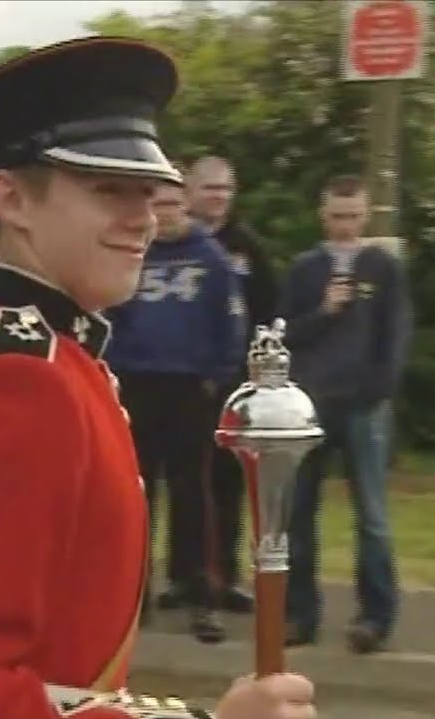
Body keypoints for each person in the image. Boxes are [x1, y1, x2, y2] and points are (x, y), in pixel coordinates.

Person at [0, 36, 316, 719]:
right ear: (12, 198)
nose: (143, 217)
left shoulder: (59, 361)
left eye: (149, 191)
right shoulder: (14, 387)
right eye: (110, 189)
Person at [104, 176, 245, 643]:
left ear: (186, 207)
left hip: (190, 388)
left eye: (173, 204)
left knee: (193, 495)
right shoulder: (132, 254)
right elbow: (110, 315)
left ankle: (201, 596)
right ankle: (132, 597)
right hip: (137, 383)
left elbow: (230, 323)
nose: (164, 213)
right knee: (136, 493)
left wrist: (217, 375)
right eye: (157, 204)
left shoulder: (211, 259)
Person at [277, 173, 413, 654]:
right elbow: (282, 333)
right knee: (297, 514)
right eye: (337, 217)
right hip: (310, 404)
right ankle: (299, 614)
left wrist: (381, 389)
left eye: (354, 217)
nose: (346, 227)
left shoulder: (384, 267)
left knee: (372, 514)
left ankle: (375, 616)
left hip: (364, 406)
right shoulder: (305, 269)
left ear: (366, 215)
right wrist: (324, 312)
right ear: (323, 214)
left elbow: (395, 333)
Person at [183, 155, 279, 615]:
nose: (218, 197)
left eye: (225, 189)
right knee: (186, 484)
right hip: (184, 383)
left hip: (235, 385)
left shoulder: (246, 247)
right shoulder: (173, 243)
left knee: (227, 483)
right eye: (209, 188)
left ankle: (227, 575)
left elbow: (268, 314)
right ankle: (187, 577)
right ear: (189, 190)